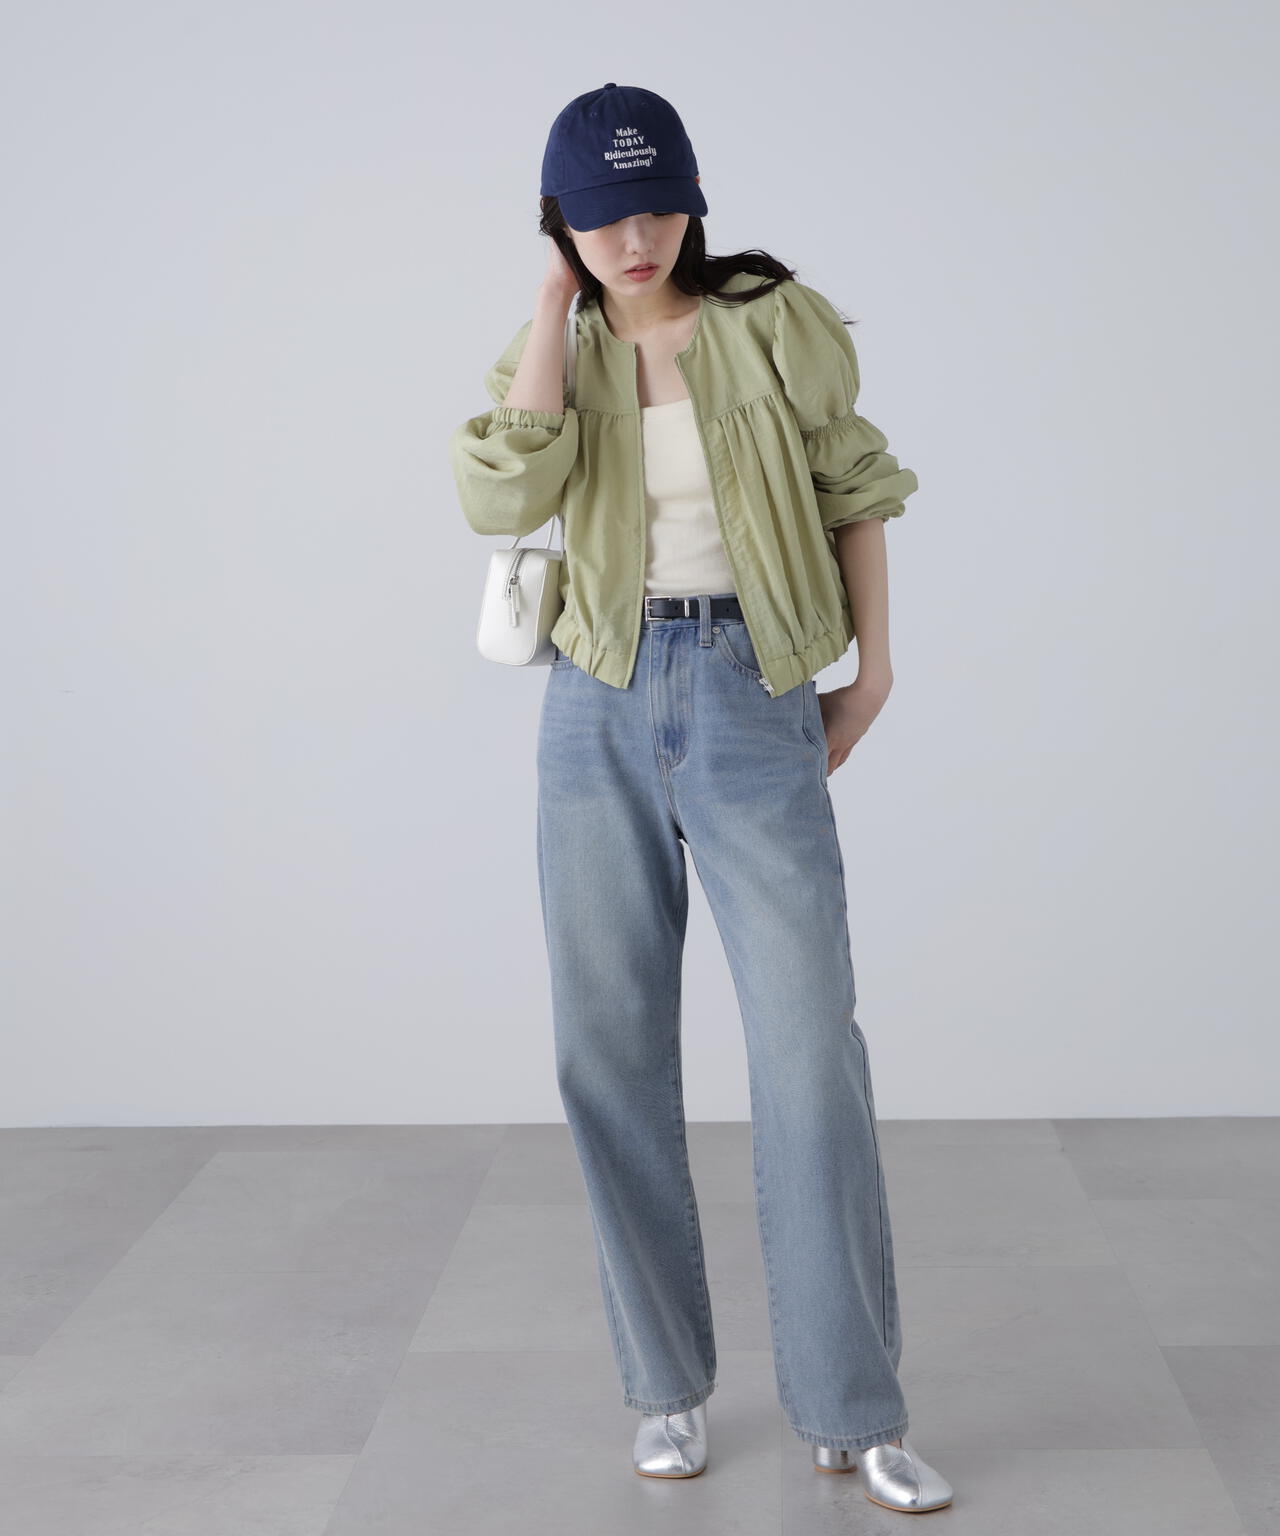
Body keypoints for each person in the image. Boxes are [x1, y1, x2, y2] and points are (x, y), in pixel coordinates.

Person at [450, 83, 954, 1515]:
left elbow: (855, 487)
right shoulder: (556, 347)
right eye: (605, 216)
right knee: (608, 1050)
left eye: (660, 205)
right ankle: (665, 1388)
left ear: (694, 202)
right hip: (595, 699)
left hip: (750, 689)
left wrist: (872, 674)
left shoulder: (773, 321)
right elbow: (502, 498)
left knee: (808, 1052)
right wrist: (552, 305)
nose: (639, 237)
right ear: (562, 220)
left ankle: (854, 1410)